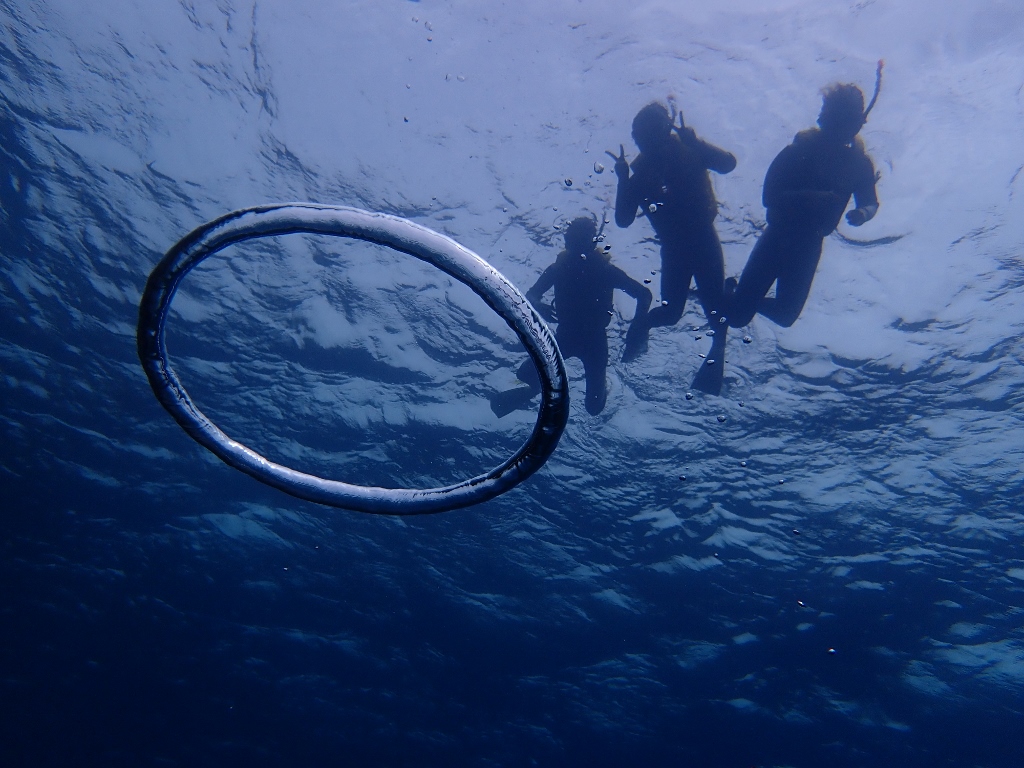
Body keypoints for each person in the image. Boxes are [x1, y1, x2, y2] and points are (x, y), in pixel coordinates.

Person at [727, 82, 880, 329]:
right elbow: (769, 196)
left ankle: (737, 297)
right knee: (737, 318)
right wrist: (811, 197)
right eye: (835, 119)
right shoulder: (801, 149)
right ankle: (734, 298)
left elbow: (871, 202)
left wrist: (862, 213)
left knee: (785, 315)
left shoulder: (859, 165)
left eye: (845, 120)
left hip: (810, 243)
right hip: (778, 235)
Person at [608, 101, 736, 365]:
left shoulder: (688, 150)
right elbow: (622, 219)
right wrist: (622, 179)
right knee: (671, 313)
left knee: (713, 310)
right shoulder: (641, 173)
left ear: (665, 130)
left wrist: (697, 143)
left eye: (649, 132)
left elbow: (727, 164)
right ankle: (647, 323)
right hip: (677, 248)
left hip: (700, 239)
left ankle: (719, 325)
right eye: (640, 135)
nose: (645, 141)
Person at [490, 216, 652, 417]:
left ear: (592, 241)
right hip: (565, 337)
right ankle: (536, 390)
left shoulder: (604, 270)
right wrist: (538, 305)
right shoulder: (559, 269)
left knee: (593, 408)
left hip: (595, 341)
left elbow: (644, 294)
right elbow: (531, 295)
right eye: (573, 239)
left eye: (580, 239)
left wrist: (637, 331)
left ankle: (603, 386)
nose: (575, 244)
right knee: (524, 374)